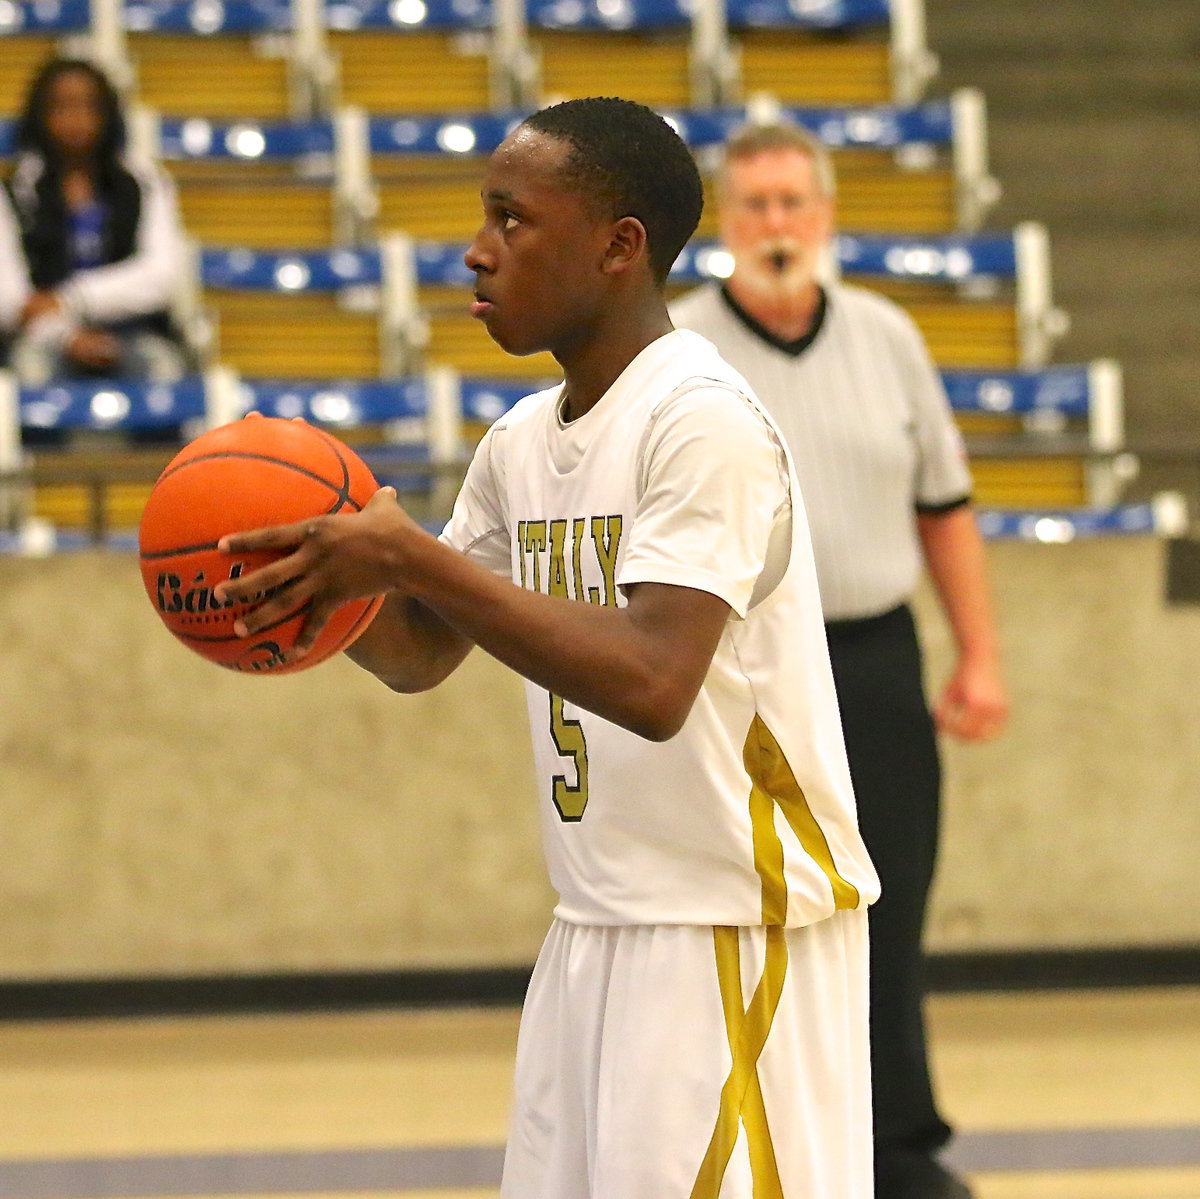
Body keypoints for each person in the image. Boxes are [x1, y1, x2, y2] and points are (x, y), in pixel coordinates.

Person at [213, 97, 881, 1198]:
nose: (477, 249)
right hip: (595, 924)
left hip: (727, 928)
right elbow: (423, 648)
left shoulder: (699, 419)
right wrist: (308, 596)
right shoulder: (522, 440)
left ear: (621, 246)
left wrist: (412, 559)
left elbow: (655, 680)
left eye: (513, 219)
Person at [670, 121, 1010, 1199]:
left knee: (891, 897)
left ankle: (893, 1142)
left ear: (827, 216)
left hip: (875, 655)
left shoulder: (887, 336)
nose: (777, 225)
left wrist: (980, 656)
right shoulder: (681, 348)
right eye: (756, 205)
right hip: (737, 673)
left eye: (794, 204)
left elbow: (945, 506)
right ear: (726, 223)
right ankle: (743, 1130)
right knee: (751, 905)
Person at [0, 57, 190, 386]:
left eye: (88, 105)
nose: (76, 119)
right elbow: (12, 300)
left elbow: (160, 276)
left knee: (165, 369)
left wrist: (71, 300)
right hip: (44, 338)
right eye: (62, 106)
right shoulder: (12, 190)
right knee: (28, 373)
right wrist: (67, 337)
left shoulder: (143, 183)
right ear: (39, 114)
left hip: (133, 333)